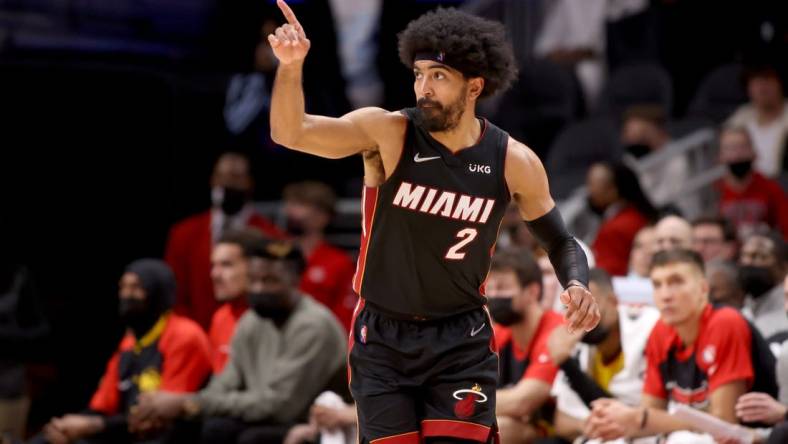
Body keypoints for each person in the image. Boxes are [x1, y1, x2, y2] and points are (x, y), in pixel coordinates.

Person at [267, 2, 600, 442]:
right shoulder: (388, 132)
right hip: (383, 336)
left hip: (461, 339)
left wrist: (576, 283)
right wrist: (290, 69)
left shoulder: (513, 160)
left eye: (438, 76)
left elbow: (559, 240)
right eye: (419, 73)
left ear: (475, 86)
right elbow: (292, 133)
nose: (423, 87)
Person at [131, 240, 347, 444]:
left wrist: (188, 404)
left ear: (295, 281)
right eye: (253, 280)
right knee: (187, 425)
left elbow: (279, 406)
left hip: (313, 424)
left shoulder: (312, 325)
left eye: (270, 281)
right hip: (268, 416)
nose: (259, 289)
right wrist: (186, 406)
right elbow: (224, 384)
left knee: (239, 435)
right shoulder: (252, 319)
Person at [585, 250, 777, 443]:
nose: (665, 295)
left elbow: (725, 424)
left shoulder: (725, 323)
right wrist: (618, 421)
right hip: (697, 432)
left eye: (676, 282)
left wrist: (639, 418)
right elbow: (651, 412)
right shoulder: (660, 331)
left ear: (703, 288)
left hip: (758, 436)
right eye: (657, 285)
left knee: (683, 439)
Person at [33, 260, 212, 444]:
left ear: (157, 293)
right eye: (123, 287)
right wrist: (70, 426)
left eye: (136, 288)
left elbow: (161, 415)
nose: (126, 295)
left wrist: (94, 425)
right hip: (129, 429)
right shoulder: (129, 343)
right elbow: (103, 405)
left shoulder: (184, 335)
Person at [164, 152, 283, 329]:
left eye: (235, 177)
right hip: (197, 331)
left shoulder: (271, 236)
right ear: (212, 180)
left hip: (253, 328)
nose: (227, 184)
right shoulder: (184, 233)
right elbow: (174, 291)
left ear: (249, 182)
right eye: (222, 177)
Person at [548, 268, 660, 443]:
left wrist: (567, 365)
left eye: (588, 307)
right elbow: (561, 421)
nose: (581, 317)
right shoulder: (575, 344)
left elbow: (635, 417)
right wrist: (586, 424)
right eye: (571, 309)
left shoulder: (649, 329)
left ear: (614, 301)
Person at [485, 248, 565, 443]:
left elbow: (522, 401)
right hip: (524, 425)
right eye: (491, 288)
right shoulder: (502, 331)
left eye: (503, 288)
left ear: (532, 292)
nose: (494, 296)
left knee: (497, 428)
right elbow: (468, 384)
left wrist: (465, 402)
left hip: (559, 433)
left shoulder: (555, 330)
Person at [282, 181, 356, 330]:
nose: (289, 210)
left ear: (322, 216)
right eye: (289, 204)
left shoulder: (339, 262)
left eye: (299, 205)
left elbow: (345, 318)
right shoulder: (275, 256)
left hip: (321, 341)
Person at [208, 228, 266, 373]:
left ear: (255, 267)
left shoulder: (275, 319)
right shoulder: (221, 317)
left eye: (226, 265)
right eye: (213, 265)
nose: (215, 274)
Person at [714, 126, 788, 239]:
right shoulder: (713, 191)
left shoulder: (771, 187)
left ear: (754, 152)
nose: (738, 154)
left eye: (743, 147)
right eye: (731, 148)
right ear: (720, 156)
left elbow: (785, 227)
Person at [588, 162, 658, 276]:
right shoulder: (637, 216)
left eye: (593, 185)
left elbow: (608, 271)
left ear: (613, 190)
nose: (590, 191)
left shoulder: (616, 228)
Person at [725, 64, 788, 179]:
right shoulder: (739, 118)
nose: (762, 88)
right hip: (745, 187)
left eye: (768, 80)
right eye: (755, 82)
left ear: (780, 82)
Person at [739, 231, 788, 340]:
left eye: (760, 257)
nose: (748, 262)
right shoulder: (743, 314)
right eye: (744, 255)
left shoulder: (785, 312)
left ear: (784, 267)